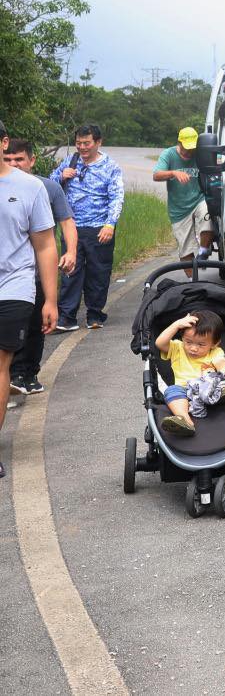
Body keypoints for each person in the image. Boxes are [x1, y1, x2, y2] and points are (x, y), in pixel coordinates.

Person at [0, 121, 59, 478]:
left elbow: (45, 244)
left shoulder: (29, 187)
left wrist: (50, 299)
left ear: (3, 142)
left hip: (13, 286)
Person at [3, 139, 76, 397]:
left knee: (35, 327)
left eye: (19, 159)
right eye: (9, 160)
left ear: (32, 160)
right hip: (15, 274)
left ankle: (25, 373)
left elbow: (66, 222)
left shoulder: (45, 188)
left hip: (32, 273)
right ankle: (13, 375)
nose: (14, 164)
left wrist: (70, 251)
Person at [51, 124, 122, 332]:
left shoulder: (110, 166)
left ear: (98, 142)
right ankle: (67, 317)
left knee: (98, 272)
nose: (82, 147)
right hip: (71, 226)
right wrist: (62, 175)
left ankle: (95, 313)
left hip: (99, 227)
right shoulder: (70, 161)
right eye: (79, 143)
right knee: (70, 270)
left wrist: (111, 223)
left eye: (87, 143)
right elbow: (50, 184)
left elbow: (117, 197)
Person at [153, 310, 225, 436]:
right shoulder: (177, 348)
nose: (193, 348)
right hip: (186, 392)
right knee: (171, 390)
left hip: (210, 387)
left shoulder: (215, 352)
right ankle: (185, 420)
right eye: (188, 342)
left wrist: (224, 370)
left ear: (214, 344)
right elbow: (159, 343)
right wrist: (177, 324)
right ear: (182, 338)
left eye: (201, 344)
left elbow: (220, 362)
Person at [152, 126, 213, 275]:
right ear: (179, 142)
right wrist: (173, 173)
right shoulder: (169, 154)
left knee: (207, 214)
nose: (190, 151)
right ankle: (192, 282)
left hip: (198, 199)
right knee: (185, 248)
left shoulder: (199, 154)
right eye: (187, 148)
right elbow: (156, 175)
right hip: (179, 208)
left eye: (192, 147)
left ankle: (204, 250)